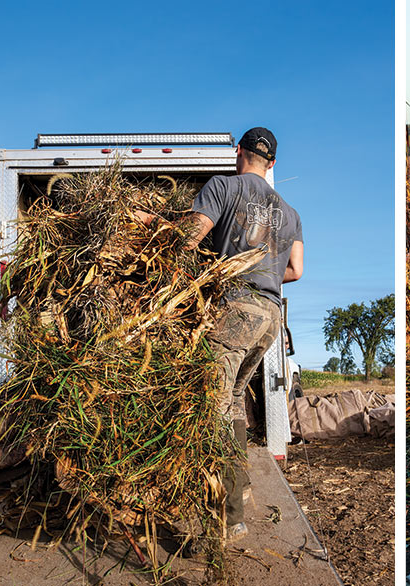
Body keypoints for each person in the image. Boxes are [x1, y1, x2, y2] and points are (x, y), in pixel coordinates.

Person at [139, 127, 303, 544]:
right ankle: (241, 482)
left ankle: (228, 518)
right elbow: (295, 270)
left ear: (238, 152)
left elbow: (188, 237)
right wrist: (260, 270)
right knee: (231, 399)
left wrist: (152, 224)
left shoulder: (223, 187)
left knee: (208, 403)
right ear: (273, 164)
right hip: (270, 313)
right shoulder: (289, 211)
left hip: (235, 308)